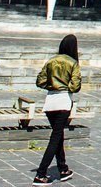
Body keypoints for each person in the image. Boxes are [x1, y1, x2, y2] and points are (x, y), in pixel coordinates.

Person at [34, 34, 82, 184]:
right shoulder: (73, 63)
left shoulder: (51, 61)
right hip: (63, 101)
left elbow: (40, 81)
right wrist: (64, 86)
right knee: (55, 138)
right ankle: (41, 173)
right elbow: (75, 86)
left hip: (50, 102)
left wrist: (52, 86)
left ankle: (63, 168)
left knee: (58, 135)